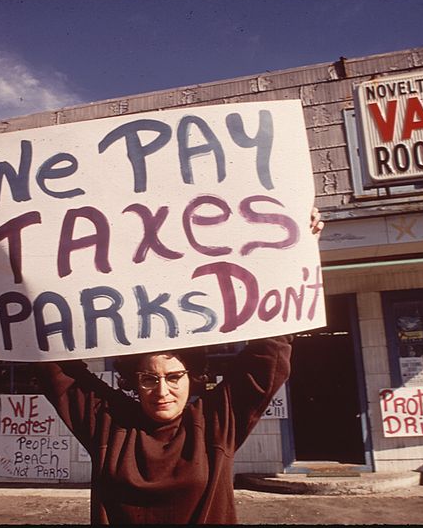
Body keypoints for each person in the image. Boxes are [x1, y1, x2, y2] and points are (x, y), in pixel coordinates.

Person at [32, 208, 324, 524]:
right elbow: (53, 368)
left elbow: (269, 356)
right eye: (148, 378)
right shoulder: (109, 423)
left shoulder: (214, 423)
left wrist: (297, 253)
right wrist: (8, 268)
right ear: (132, 380)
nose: (162, 391)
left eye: (174, 377)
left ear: (192, 378)